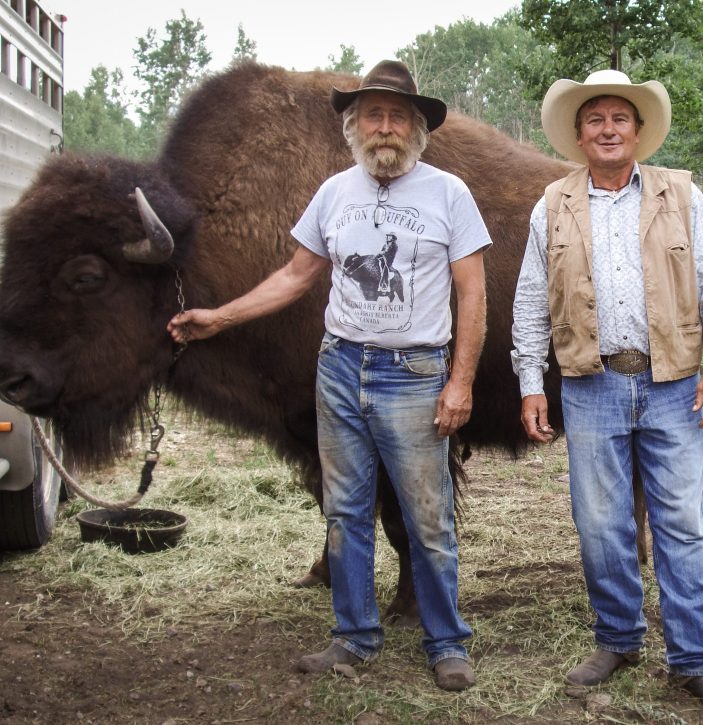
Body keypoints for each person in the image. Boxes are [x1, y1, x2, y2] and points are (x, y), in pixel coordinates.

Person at [168, 60, 491, 692]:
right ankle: (353, 637)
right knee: (345, 512)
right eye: (373, 115)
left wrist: (460, 382)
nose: (385, 127)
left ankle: (447, 641)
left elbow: (471, 294)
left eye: (399, 116)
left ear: (418, 128)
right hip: (340, 368)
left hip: (413, 371)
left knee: (429, 515)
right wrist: (219, 317)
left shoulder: (449, 194)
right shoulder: (332, 193)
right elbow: (295, 276)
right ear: (353, 125)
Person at [510, 69, 703, 718]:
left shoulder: (682, 195)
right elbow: (532, 299)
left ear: (639, 131)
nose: (609, 129)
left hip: (672, 383)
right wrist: (531, 381)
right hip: (590, 386)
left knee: (682, 525)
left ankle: (695, 661)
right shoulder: (552, 205)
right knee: (600, 526)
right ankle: (618, 639)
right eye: (596, 120)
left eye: (620, 118)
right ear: (580, 135)